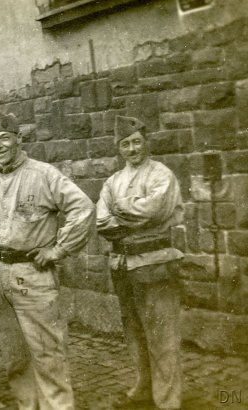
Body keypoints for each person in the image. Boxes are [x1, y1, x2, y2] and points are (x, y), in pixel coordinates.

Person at [0, 107, 94, 410]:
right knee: (16, 358)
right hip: (0, 276)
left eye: (3, 139)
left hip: (33, 276)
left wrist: (57, 250)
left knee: (48, 356)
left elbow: (83, 208)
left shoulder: (42, 175)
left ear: (18, 138)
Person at [96, 116, 183, 410]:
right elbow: (101, 221)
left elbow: (155, 210)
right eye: (125, 144)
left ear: (146, 142)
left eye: (136, 142)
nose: (132, 149)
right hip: (123, 264)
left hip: (155, 262)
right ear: (119, 149)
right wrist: (132, 215)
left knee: (162, 332)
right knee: (133, 330)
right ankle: (143, 385)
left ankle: (167, 400)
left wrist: (121, 212)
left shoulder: (162, 175)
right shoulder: (112, 182)